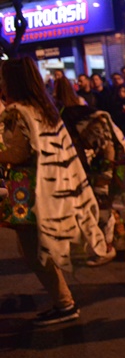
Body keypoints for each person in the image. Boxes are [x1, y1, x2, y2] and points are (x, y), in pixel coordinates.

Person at [0, 57, 114, 326]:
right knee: (35, 246)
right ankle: (63, 302)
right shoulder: (44, 108)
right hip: (47, 185)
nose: (1, 83)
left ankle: (64, 304)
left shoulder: (17, 111)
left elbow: (18, 152)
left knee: (32, 248)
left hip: (27, 189)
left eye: (3, 78)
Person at [55, 78, 125, 260]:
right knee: (108, 206)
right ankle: (121, 245)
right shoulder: (84, 111)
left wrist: (100, 177)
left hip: (100, 165)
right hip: (110, 162)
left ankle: (105, 248)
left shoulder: (69, 116)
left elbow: (90, 148)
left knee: (100, 208)